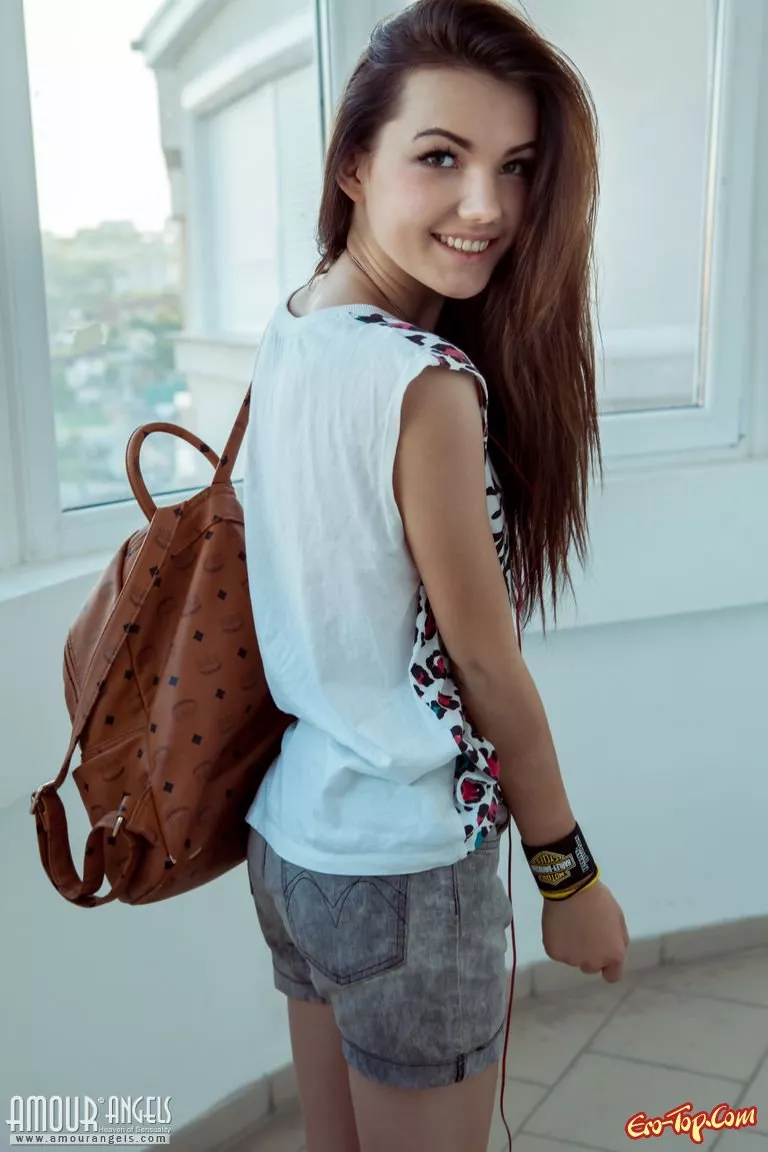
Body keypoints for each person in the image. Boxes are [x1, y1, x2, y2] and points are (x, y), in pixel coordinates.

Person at [242, 1, 629, 1150]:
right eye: (441, 158)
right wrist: (569, 878)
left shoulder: (298, 323)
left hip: (296, 842)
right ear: (354, 165)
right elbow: (485, 667)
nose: (488, 208)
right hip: (408, 867)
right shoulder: (425, 385)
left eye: (516, 167)